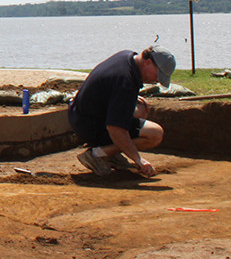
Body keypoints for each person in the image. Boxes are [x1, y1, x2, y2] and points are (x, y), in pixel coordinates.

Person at [70, 45, 175, 177]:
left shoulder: (128, 57)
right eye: (158, 74)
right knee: (154, 134)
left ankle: (109, 153)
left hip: (81, 113)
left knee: (139, 109)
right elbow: (115, 129)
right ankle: (95, 155)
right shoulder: (125, 81)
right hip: (89, 125)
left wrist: (133, 100)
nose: (158, 80)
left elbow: (109, 89)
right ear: (148, 63)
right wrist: (138, 160)